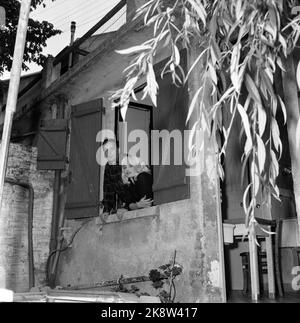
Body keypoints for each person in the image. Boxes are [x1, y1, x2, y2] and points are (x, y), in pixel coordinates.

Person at [101, 138, 128, 214]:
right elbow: (108, 190)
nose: (109, 153)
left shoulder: (126, 160)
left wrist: (127, 207)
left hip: (140, 200)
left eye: (112, 149)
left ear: (118, 150)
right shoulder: (108, 167)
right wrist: (106, 210)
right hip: (125, 204)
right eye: (106, 150)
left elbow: (132, 188)